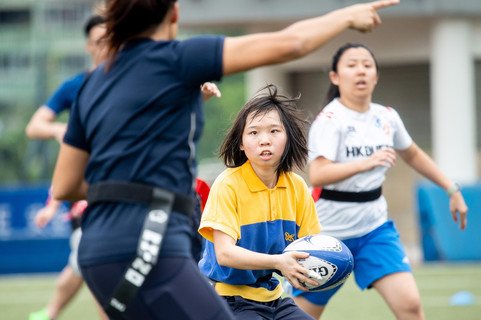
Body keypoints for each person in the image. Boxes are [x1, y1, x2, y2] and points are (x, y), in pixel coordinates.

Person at [50, 1, 399, 319]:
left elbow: (64, 186)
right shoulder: (178, 58)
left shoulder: (93, 83)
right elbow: (291, 43)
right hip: (151, 238)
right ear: (174, 14)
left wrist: (126, 186)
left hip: (96, 249)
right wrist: (347, 15)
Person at [291, 43, 469, 320]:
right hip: (328, 234)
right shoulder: (330, 120)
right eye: (351, 65)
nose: (360, 70)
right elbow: (318, 174)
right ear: (335, 77)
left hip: (374, 229)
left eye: (366, 64)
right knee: (301, 316)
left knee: (410, 306)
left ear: (375, 75)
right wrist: (367, 162)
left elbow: (412, 153)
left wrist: (451, 188)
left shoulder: (386, 116)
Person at [198, 84, 321, 319]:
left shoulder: (297, 187)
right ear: (242, 144)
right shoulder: (228, 185)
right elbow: (225, 254)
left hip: (273, 298)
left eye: (274, 131)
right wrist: (279, 262)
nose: (264, 140)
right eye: (254, 133)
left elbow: (309, 249)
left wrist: (315, 270)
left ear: (288, 137)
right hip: (227, 301)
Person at [26, 15, 109, 320]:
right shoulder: (76, 87)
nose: (107, 47)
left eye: (112, 39)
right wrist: (60, 131)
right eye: (100, 41)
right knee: (97, 268)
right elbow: (34, 126)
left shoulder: (133, 83)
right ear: (89, 47)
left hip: (127, 195)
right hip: (88, 200)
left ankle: (50, 313)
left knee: (89, 267)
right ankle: (50, 313)